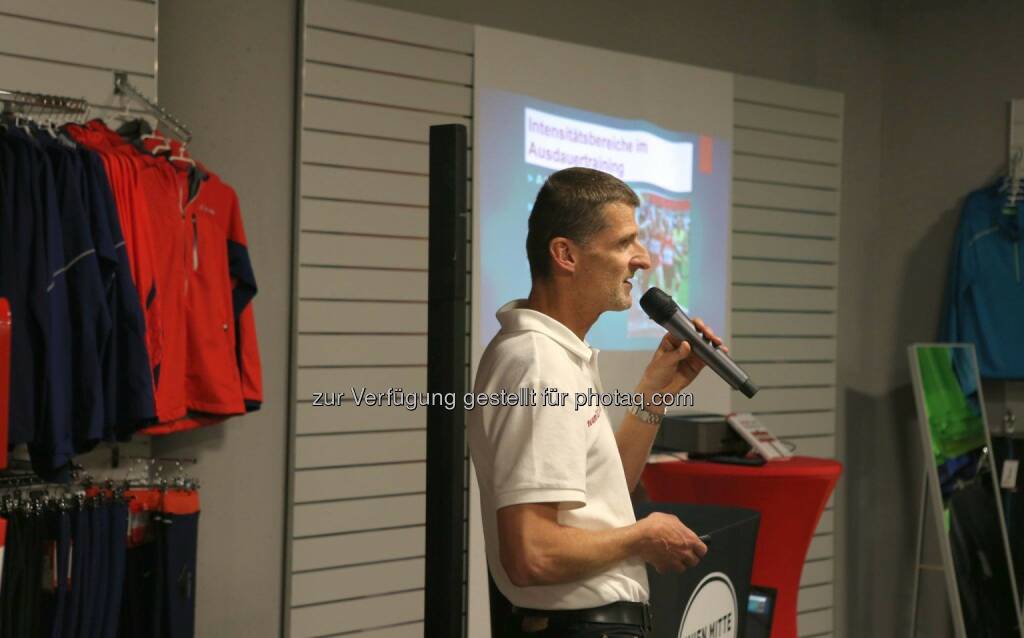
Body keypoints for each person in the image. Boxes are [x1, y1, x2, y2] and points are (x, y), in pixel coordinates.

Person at [468, 167, 723, 637]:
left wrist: (655, 393)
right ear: (566, 254)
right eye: (625, 243)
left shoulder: (556, 354)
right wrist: (643, 537)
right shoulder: (537, 363)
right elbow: (531, 553)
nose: (643, 259)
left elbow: (603, 497)